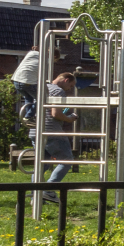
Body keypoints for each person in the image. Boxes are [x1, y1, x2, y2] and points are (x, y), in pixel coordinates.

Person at [38, 71, 79, 202]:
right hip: (51, 131)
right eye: (71, 86)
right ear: (66, 80)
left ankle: (36, 195)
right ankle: (49, 190)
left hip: (36, 130)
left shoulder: (42, 88)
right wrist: (69, 118)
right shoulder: (58, 91)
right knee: (66, 160)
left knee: (41, 165)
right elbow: (55, 114)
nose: (70, 89)